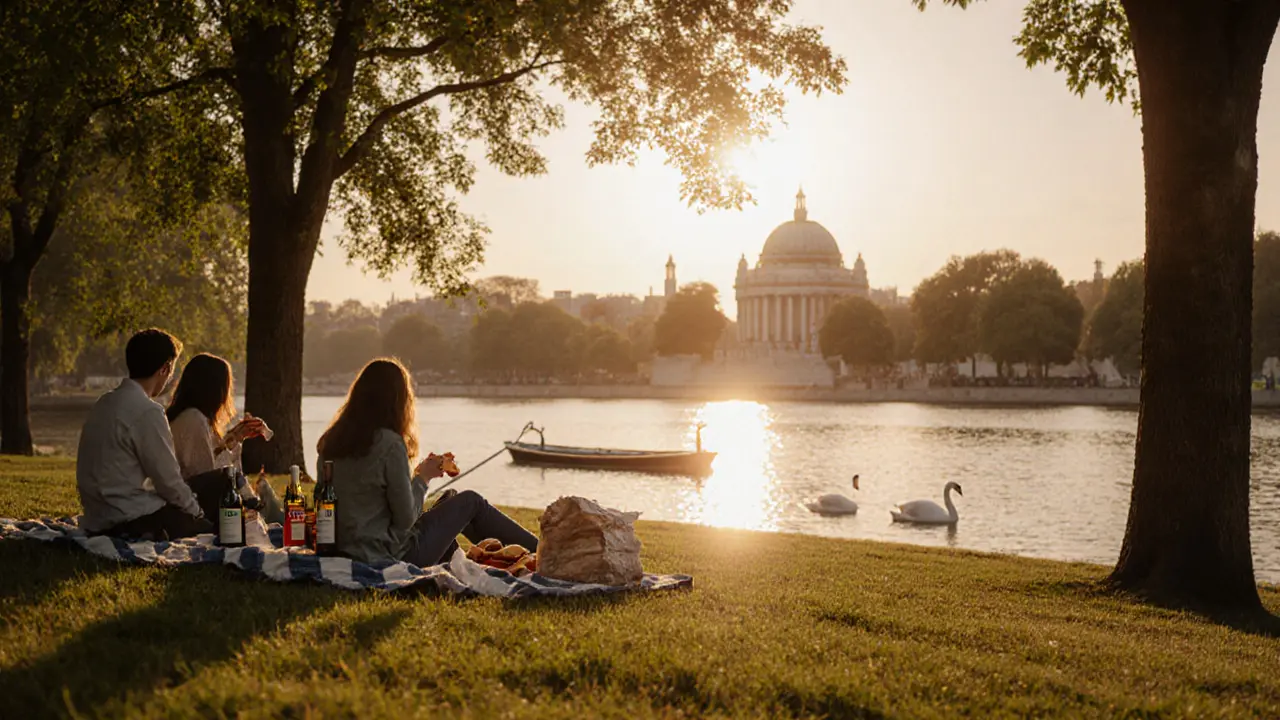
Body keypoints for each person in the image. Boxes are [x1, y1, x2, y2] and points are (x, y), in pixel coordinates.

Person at [316, 358, 538, 566]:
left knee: (450, 500)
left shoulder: (332, 442)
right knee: (471, 501)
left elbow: (365, 502)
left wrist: (417, 475)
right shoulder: (390, 443)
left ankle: (517, 557)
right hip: (390, 554)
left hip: (345, 549)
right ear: (398, 401)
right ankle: (544, 553)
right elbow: (405, 520)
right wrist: (423, 478)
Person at [76, 329, 211, 540]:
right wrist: (197, 514)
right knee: (221, 524)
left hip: (96, 516)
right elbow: (169, 482)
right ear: (165, 368)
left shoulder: (104, 402)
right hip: (129, 520)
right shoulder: (147, 411)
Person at [166, 352, 284, 524]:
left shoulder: (190, 417)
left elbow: (209, 460)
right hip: (191, 507)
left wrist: (235, 437)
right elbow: (209, 477)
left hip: (192, 499)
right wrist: (232, 441)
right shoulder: (193, 420)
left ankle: (262, 509)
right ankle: (262, 509)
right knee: (263, 505)